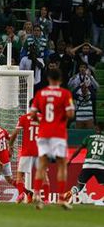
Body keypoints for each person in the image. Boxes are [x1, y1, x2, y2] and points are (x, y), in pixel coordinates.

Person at [30, 68, 75, 210]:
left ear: (48, 79)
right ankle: (61, 198)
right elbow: (70, 113)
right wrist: (60, 119)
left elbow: (32, 115)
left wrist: (41, 122)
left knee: (42, 164)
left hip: (43, 133)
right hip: (58, 134)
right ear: (60, 80)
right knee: (62, 164)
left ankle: (36, 194)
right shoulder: (65, 93)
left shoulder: (40, 93)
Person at [10, 102, 47, 203]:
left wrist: (10, 145)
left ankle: (22, 193)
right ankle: (47, 200)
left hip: (27, 151)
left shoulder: (24, 118)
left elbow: (15, 134)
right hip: (40, 152)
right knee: (44, 177)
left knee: (19, 176)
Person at [66, 122, 104, 197]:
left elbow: (78, 149)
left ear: (96, 128)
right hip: (100, 167)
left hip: (87, 165)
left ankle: (71, 192)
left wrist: (70, 160)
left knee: (79, 186)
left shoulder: (89, 137)